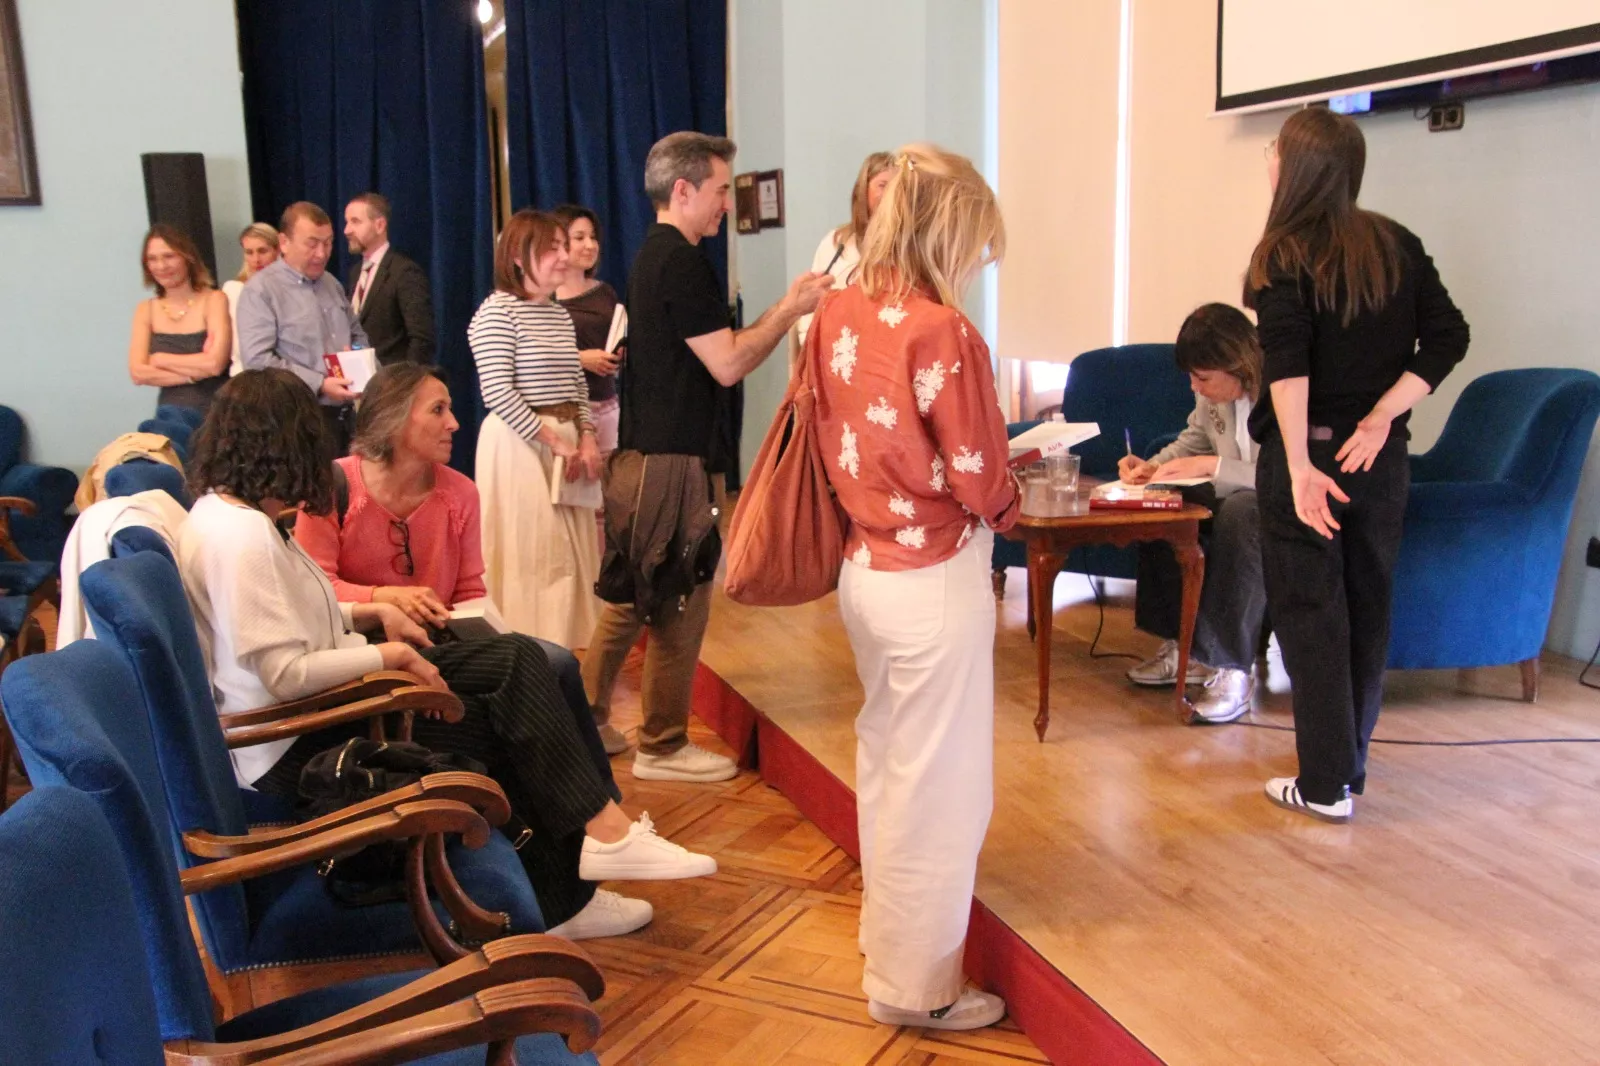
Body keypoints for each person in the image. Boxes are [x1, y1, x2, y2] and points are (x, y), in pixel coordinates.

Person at [179, 370, 715, 942]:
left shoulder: (232, 518)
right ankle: (585, 869)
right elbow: (283, 675)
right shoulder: (244, 537)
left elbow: (294, 621)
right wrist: (388, 655)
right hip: (296, 741)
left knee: (522, 663)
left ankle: (595, 852)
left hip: (318, 705)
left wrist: (369, 614)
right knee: (515, 706)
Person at [811, 144, 1015, 1031]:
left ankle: (887, 944)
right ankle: (917, 987)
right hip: (934, 577)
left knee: (891, 772)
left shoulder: (838, 310)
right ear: (951, 230)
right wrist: (1017, 488)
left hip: (866, 567)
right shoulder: (943, 331)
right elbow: (979, 478)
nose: (975, 266)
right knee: (944, 791)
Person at [580, 131, 833, 775]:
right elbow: (728, 363)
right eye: (721, 190)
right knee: (678, 600)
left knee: (632, 597)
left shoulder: (652, 256)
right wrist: (792, 307)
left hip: (650, 456)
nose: (727, 202)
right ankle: (661, 744)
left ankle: (582, 724)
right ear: (684, 190)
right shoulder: (681, 261)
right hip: (672, 462)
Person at [1244, 108, 1468, 823]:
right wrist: (1382, 417)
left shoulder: (1283, 252)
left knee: (1312, 617)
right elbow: (1448, 337)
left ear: (1296, 166)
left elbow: (1288, 364)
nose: (1268, 161)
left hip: (1308, 460)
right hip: (1380, 460)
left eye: (1274, 150)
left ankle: (1322, 785)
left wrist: (1303, 464)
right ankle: (1347, 769)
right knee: (1367, 610)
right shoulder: (1394, 243)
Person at [294, 362, 621, 784]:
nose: (454, 422)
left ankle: (595, 809)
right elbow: (315, 590)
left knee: (555, 664)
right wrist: (383, 597)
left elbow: (469, 591)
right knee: (537, 673)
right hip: (360, 644)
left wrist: (482, 632)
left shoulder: (460, 492)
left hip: (439, 639)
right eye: (438, 410)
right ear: (393, 419)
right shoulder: (332, 484)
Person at [1119, 303, 1266, 724]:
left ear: (1238, 363)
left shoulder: (1280, 392)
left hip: (1276, 501)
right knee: (1164, 501)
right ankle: (1182, 647)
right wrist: (1152, 469)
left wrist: (1214, 467)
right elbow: (1195, 438)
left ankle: (1233, 668)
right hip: (1234, 492)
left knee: (1241, 512)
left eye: (1203, 378)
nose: (1196, 388)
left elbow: (1285, 471)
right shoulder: (1211, 398)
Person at [468, 210, 603, 649]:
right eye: (553, 247)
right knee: (534, 552)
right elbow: (497, 392)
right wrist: (554, 442)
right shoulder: (496, 313)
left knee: (570, 555)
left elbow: (578, 385)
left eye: (565, 246)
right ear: (519, 257)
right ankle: (528, 650)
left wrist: (585, 436)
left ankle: (565, 653)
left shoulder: (558, 314)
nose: (564, 256)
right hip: (520, 445)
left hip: (563, 442)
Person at [235, 201, 367, 456]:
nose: (322, 253)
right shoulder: (261, 291)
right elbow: (258, 361)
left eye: (328, 243)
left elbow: (356, 333)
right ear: (284, 242)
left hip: (344, 419)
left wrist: (360, 361)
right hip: (293, 422)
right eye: (312, 243)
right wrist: (319, 383)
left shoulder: (331, 283)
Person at [127, 224, 231, 415]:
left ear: (187, 258)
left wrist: (159, 359)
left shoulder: (214, 300)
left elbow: (215, 364)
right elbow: (138, 373)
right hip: (171, 414)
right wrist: (192, 376)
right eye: (152, 259)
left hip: (217, 414)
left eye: (169, 256)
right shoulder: (145, 309)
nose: (161, 266)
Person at [795, 150, 894, 348]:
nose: (890, 195)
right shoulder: (835, 242)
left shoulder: (911, 249)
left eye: (896, 188)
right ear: (863, 191)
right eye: (882, 185)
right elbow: (810, 310)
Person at [552, 204, 624, 458]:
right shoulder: (546, 298)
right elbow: (536, 354)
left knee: (609, 486)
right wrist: (582, 359)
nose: (590, 245)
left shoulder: (604, 291)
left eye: (593, 237)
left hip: (608, 403)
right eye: (580, 238)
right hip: (567, 410)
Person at [344, 192, 436, 367]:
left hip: (394, 384)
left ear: (379, 225)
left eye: (355, 221)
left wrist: (405, 383)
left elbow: (422, 338)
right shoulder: (356, 273)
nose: (347, 230)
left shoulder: (404, 272)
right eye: (347, 222)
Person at [221, 223, 279, 377]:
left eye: (262, 251)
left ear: (277, 250)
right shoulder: (233, 290)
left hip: (282, 379)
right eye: (249, 252)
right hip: (243, 378)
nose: (256, 259)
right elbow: (235, 347)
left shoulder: (290, 290)